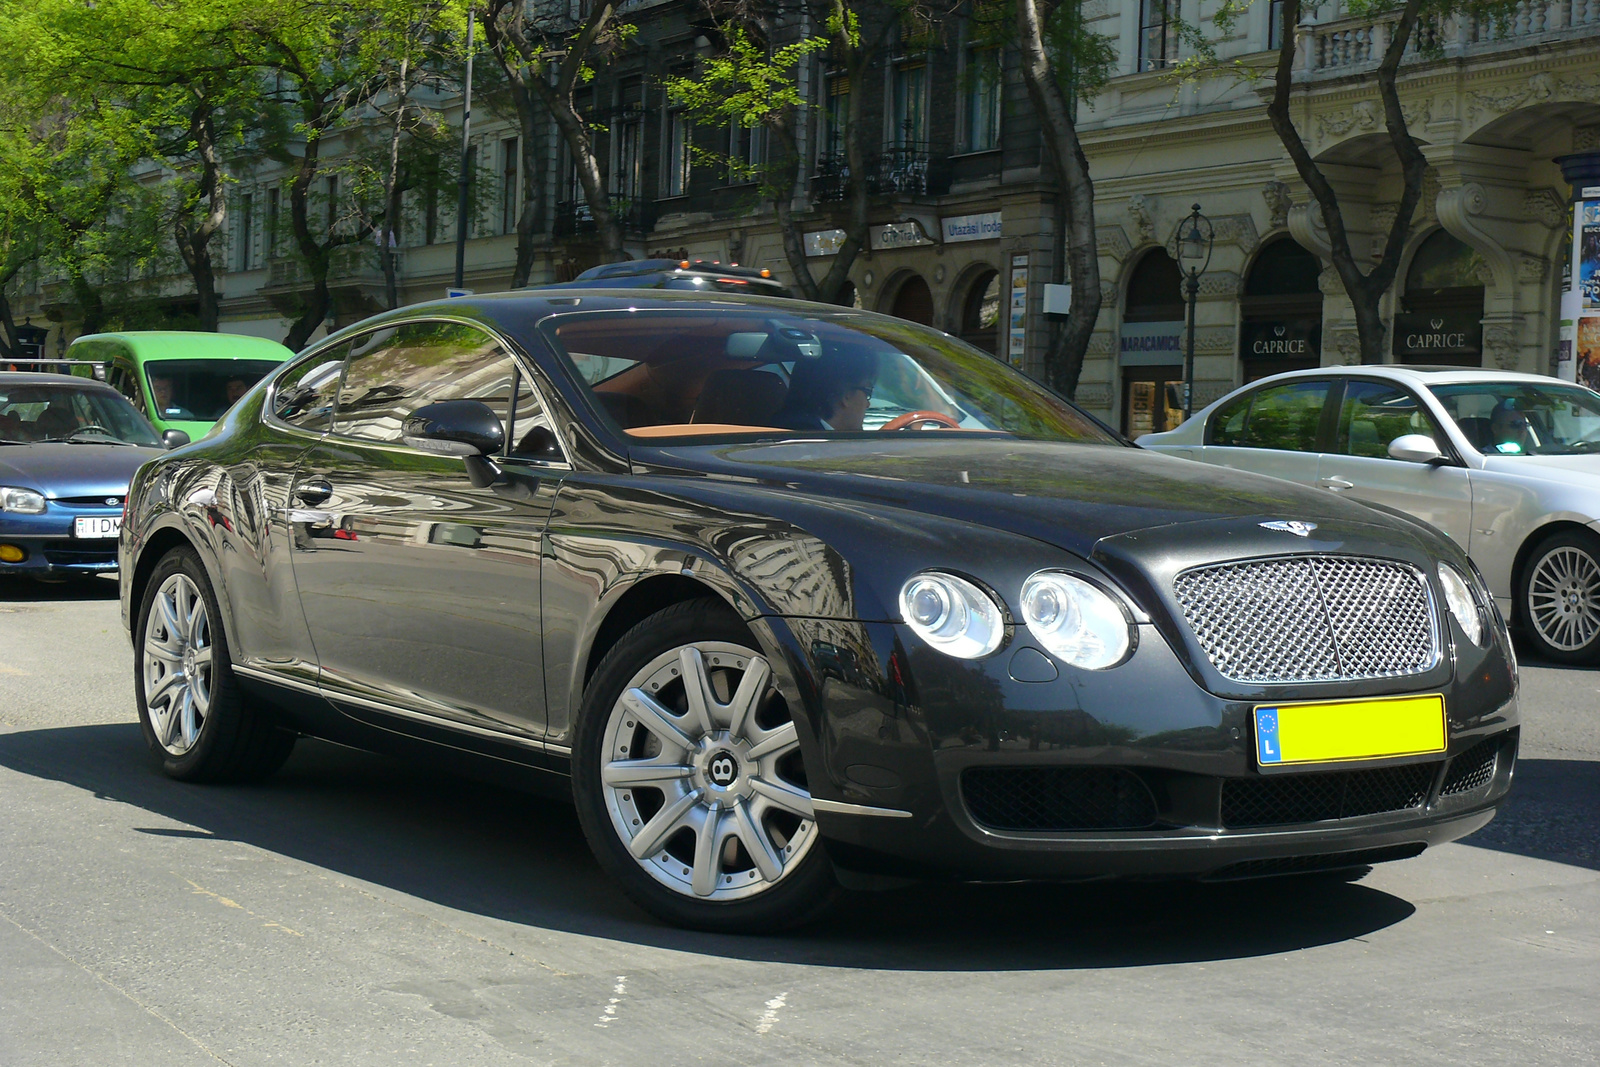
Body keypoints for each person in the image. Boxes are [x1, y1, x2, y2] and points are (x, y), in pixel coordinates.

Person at [775, 346, 880, 432]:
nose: (868, 404)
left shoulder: (784, 429)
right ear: (846, 396)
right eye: (867, 392)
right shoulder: (814, 444)